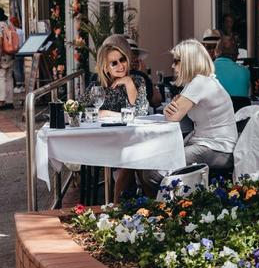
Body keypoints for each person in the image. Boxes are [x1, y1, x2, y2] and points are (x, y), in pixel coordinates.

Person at [140, 39, 238, 196]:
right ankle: (173, 204)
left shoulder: (199, 83)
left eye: (176, 61)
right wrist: (171, 109)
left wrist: (171, 109)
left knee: (153, 171)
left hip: (216, 148)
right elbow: (172, 113)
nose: (173, 66)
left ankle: (171, 207)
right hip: (214, 145)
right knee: (151, 163)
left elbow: (172, 117)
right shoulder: (201, 81)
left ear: (188, 61)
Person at [79, 34, 149, 201]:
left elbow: (140, 113)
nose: (120, 66)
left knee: (134, 158)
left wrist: (129, 83)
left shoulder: (137, 80)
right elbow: (79, 108)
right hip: (104, 140)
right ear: (106, 67)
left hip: (129, 140)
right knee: (133, 160)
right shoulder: (98, 84)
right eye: (114, 63)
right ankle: (120, 206)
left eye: (122, 60)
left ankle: (117, 205)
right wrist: (98, 113)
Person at [126, 37, 162, 107]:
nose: (134, 60)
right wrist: (143, 75)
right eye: (131, 56)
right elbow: (157, 100)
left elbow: (157, 100)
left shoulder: (140, 76)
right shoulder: (138, 76)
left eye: (136, 56)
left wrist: (144, 75)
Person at [0, 8, 18, 109]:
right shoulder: (9, 24)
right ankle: (9, 101)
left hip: (2, 54)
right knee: (9, 77)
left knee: (1, 77)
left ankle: (1, 101)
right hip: (11, 53)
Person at [10, 17, 24, 93]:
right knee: (21, 69)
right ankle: (22, 85)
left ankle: (18, 86)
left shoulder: (13, 31)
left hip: (15, 51)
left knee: (16, 69)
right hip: (22, 50)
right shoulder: (21, 31)